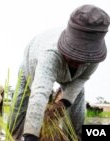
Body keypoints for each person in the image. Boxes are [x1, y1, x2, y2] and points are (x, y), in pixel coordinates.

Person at [7, 5, 110, 141]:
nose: (76, 63)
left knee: (77, 112)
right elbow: (39, 93)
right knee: (19, 109)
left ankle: (75, 137)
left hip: (73, 76)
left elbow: (82, 79)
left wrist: (64, 103)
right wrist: (31, 137)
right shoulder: (50, 55)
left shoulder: (93, 57)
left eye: (82, 59)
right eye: (73, 56)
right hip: (32, 62)